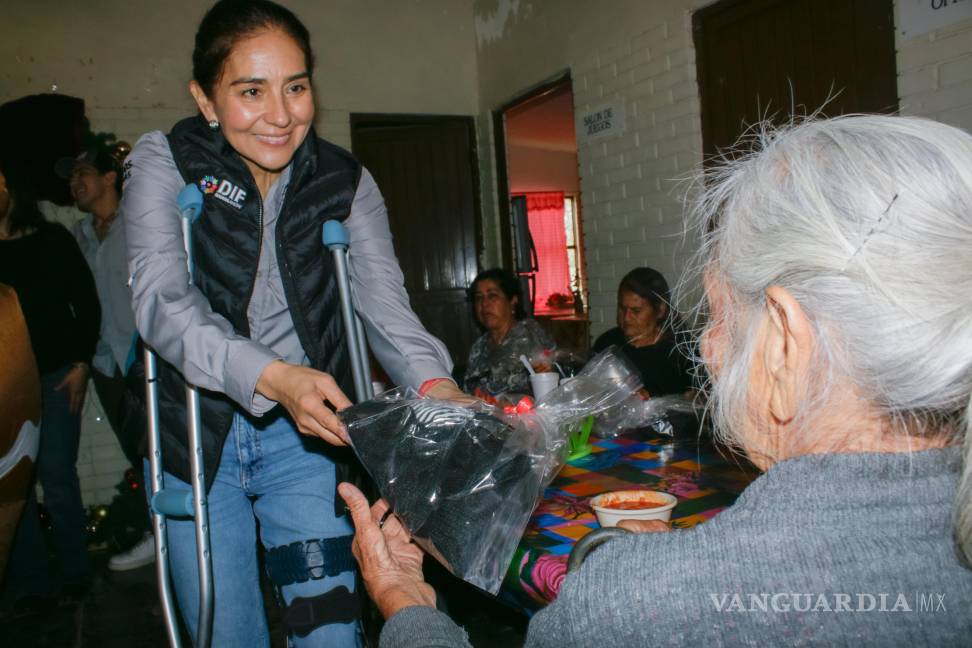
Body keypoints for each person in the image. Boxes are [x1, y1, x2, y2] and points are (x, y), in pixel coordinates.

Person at [339, 114, 972, 645]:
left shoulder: (630, 604)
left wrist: (407, 604)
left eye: (720, 318)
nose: (708, 347)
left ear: (784, 343)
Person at [122, 1, 463, 645]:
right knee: (228, 633)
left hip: (305, 439)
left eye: (296, 87)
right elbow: (161, 302)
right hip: (198, 431)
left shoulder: (343, 180)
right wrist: (274, 377)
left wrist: (436, 391)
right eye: (251, 91)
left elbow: (386, 306)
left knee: (329, 627)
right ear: (206, 99)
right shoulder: (167, 162)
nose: (281, 115)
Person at [0, 157, 100, 604]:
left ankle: (76, 572)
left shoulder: (51, 239)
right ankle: (31, 580)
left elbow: (85, 300)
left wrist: (82, 364)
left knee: (57, 475)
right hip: (7, 388)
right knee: (12, 483)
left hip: (59, 378)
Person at [57, 146, 151, 572]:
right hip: (105, 363)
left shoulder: (141, 220)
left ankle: (174, 531)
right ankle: (158, 528)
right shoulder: (76, 236)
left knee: (167, 447)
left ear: (110, 178)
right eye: (72, 177)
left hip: (149, 357)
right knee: (138, 449)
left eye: (83, 173)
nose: (75, 184)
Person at [592, 267, 693, 397]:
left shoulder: (682, 348)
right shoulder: (607, 343)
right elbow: (591, 392)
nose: (626, 317)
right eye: (622, 308)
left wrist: (651, 398)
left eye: (636, 311)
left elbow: (699, 401)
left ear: (661, 310)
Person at [463, 268, 555, 397]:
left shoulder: (529, 334)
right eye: (479, 298)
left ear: (512, 300)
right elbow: (468, 391)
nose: (484, 304)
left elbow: (548, 389)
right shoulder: (479, 347)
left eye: (492, 296)